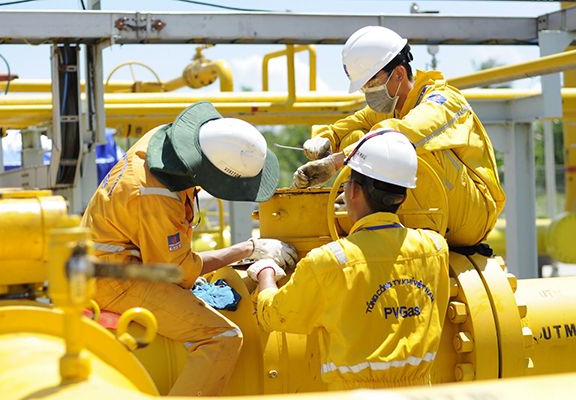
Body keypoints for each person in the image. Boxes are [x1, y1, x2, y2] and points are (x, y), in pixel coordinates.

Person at [82, 101, 298, 396]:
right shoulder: (153, 195)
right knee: (222, 336)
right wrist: (249, 248)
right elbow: (179, 273)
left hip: (105, 263)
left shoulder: (163, 144)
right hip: (114, 280)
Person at [248, 130, 449, 390]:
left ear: (352, 190)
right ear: (404, 195)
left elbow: (276, 316)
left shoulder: (329, 261)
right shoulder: (435, 248)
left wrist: (266, 273)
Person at [294, 26, 505, 248]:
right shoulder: (394, 108)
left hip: (471, 217)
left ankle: (377, 217)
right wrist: (326, 140)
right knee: (355, 136)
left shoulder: (445, 101)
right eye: (364, 87)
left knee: (403, 148)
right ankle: (374, 223)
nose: (368, 92)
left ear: (399, 74)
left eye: (372, 83)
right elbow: (348, 126)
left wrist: (337, 162)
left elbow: (404, 134)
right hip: (430, 212)